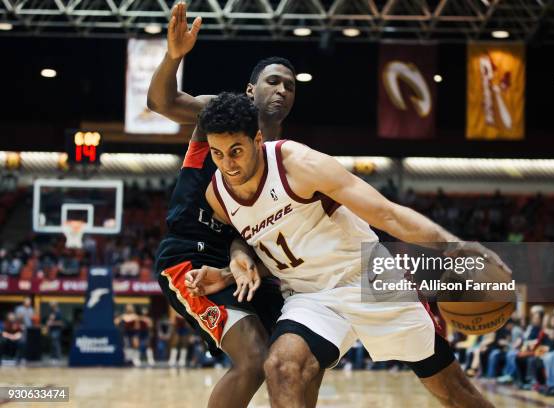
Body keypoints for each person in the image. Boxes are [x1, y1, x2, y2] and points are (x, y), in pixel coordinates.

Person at [202, 92, 509, 407]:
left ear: (256, 138)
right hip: (310, 296)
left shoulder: (297, 164)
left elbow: (386, 213)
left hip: (367, 278)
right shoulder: (218, 195)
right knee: (281, 367)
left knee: (454, 390)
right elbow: (240, 237)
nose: (228, 164)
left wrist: (456, 246)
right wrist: (237, 258)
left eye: (235, 151)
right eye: (217, 153)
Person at [146, 4, 321, 406]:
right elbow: (161, 102)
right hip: (189, 257)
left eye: (290, 86)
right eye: (273, 82)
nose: (281, 90)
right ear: (250, 91)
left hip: (238, 266)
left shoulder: (286, 156)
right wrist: (174, 56)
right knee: (255, 358)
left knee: (301, 357)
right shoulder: (217, 114)